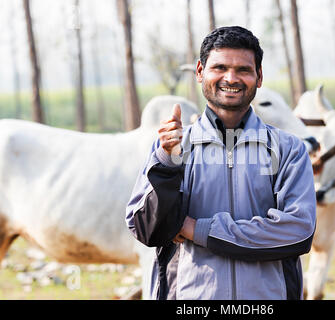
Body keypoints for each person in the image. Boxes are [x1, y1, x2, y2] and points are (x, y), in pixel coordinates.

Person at [125, 26, 316, 300]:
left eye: (243, 70)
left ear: (259, 77)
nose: (231, 78)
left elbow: (297, 232)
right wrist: (167, 163)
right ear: (200, 72)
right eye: (220, 67)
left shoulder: (288, 150)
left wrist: (195, 229)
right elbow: (146, 229)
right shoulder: (172, 147)